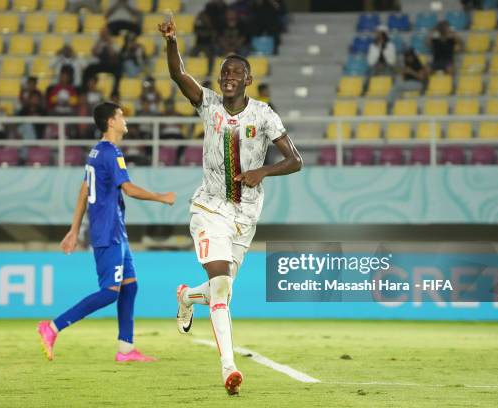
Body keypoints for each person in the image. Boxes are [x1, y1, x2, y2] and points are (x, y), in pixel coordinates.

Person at [159, 17, 302, 395]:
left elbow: (295, 160)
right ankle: (229, 368)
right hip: (209, 209)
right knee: (221, 287)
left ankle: (188, 296)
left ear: (248, 80)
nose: (228, 77)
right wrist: (172, 41)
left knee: (221, 290)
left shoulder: (264, 115)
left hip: (246, 215)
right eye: (224, 72)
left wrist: (263, 172)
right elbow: (178, 74)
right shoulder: (207, 104)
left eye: (236, 72)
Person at [37, 101, 176, 362]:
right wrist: (161, 197)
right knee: (109, 292)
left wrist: (74, 229)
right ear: (111, 122)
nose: (125, 120)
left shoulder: (96, 152)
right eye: (121, 116)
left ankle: (126, 349)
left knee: (130, 287)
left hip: (115, 230)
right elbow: (129, 189)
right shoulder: (111, 153)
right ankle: (52, 327)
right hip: (107, 230)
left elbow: (83, 189)